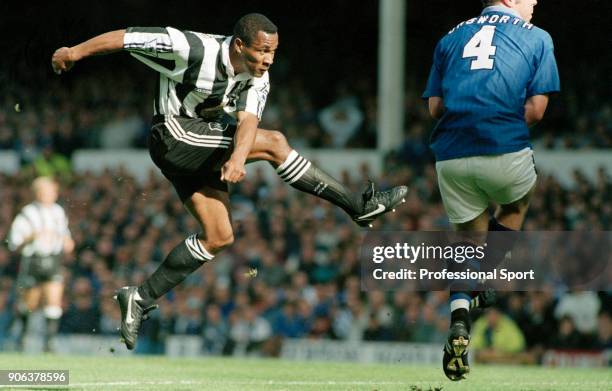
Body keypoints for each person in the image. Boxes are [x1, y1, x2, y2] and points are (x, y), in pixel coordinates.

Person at [51, 13, 407, 350]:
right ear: (239, 45)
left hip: (200, 148)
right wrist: (73, 53)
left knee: (220, 235)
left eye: (273, 52)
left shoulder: (257, 75)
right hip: (173, 136)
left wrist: (237, 157)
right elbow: (127, 38)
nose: (268, 60)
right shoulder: (190, 48)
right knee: (276, 143)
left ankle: (140, 297)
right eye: (263, 51)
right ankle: (358, 206)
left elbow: (248, 121)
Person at [422, 0, 559, 381]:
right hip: (505, 146)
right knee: (517, 203)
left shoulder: (450, 37)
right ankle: (485, 277)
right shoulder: (538, 38)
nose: (534, 3)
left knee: (467, 242)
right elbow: (536, 111)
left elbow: (435, 107)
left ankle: (460, 318)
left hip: (450, 155)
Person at [7, 176, 74, 352]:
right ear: (37, 193)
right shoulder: (27, 213)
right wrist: (31, 236)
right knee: (30, 302)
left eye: (52, 191)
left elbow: (63, 233)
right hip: (33, 259)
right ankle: (22, 338)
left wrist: (68, 241)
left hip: (53, 259)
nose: (51, 194)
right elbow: (14, 242)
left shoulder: (58, 211)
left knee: (54, 299)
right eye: (47, 191)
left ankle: (49, 343)